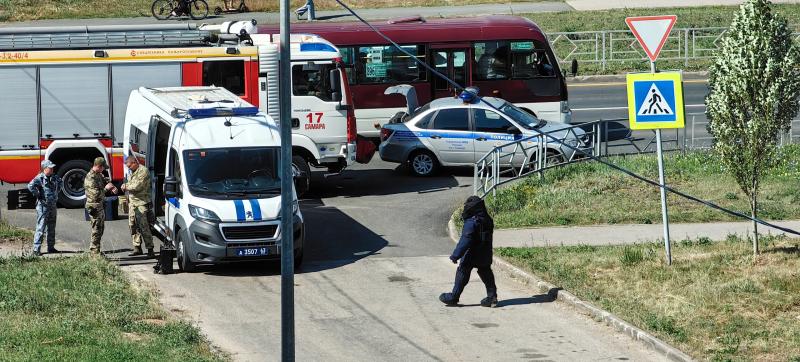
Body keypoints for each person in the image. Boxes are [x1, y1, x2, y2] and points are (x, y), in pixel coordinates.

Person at [440, 196, 498, 307]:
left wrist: (455, 256)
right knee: (486, 273)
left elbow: (465, 240)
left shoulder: (472, 222)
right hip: (485, 253)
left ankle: (454, 297)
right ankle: (492, 297)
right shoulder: (488, 219)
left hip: (472, 253)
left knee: (463, 272)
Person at [121, 157, 155, 258]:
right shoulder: (133, 171)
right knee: (133, 225)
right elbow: (131, 184)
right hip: (133, 203)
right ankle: (137, 248)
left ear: (135, 163)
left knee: (144, 226)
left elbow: (137, 186)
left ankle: (150, 249)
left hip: (141, 203)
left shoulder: (143, 171)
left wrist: (125, 186)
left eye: (130, 166)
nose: (129, 168)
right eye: (128, 167)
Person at [27, 160, 63, 256]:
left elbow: (61, 183)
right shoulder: (40, 178)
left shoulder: (55, 177)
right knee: (41, 227)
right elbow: (30, 186)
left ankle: (51, 247)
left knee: (51, 226)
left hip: (52, 206)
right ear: (45, 168)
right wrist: (38, 194)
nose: (52, 169)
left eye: (52, 168)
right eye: (50, 168)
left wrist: (55, 194)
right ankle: (36, 249)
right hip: (43, 206)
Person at [84, 157, 118, 255]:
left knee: (101, 228)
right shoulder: (90, 178)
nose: (104, 170)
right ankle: (94, 252)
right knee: (96, 229)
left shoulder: (98, 175)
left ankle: (97, 250)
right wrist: (106, 189)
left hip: (100, 205)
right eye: (103, 168)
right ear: (99, 166)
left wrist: (111, 185)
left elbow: (106, 180)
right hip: (94, 206)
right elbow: (94, 195)